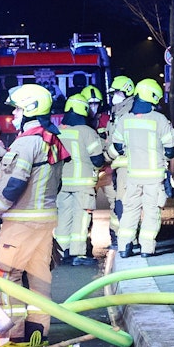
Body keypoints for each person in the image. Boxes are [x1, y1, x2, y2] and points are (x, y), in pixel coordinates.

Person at [0, 84, 68, 341]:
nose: (14, 115)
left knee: (7, 276)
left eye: (18, 109)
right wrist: (3, 152)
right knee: (39, 278)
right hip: (44, 220)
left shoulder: (26, 143)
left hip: (22, 222)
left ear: (31, 110)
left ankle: (15, 335)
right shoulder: (50, 140)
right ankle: (38, 331)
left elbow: (16, 183)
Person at [112, 78, 174, 257]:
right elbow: (171, 149)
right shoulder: (159, 119)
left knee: (130, 211)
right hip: (154, 178)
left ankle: (124, 246)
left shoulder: (124, 120)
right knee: (151, 213)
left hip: (133, 177)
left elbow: (117, 146)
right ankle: (146, 248)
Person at [55, 96, 108, 266]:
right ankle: (78, 254)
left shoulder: (57, 131)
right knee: (81, 218)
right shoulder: (86, 131)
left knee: (63, 219)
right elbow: (98, 160)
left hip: (62, 185)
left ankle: (61, 253)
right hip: (83, 184)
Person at [103, 75, 137, 246]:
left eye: (117, 92)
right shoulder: (118, 111)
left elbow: (119, 143)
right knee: (120, 202)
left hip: (125, 164)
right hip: (118, 165)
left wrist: (106, 156)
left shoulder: (127, 113)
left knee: (124, 203)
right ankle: (119, 236)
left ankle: (127, 239)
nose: (113, 96)